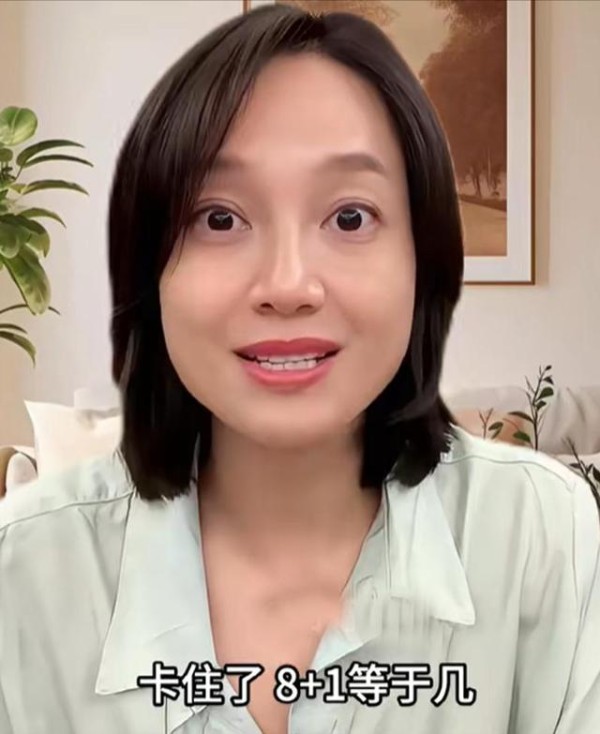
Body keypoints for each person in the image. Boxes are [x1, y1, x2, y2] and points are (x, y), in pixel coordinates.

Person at [0, 4, 598, 734]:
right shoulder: (24, 571)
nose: (288, 286)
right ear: (148, 272)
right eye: (219, 218)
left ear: (424, 261)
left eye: (350, 217)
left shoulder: (544, 538)